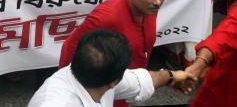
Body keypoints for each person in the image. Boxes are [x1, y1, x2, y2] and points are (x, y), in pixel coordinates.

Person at [29, 30, 191, 107]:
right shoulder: (54, 103)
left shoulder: (96, 74)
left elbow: (140, 80)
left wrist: (172, 76)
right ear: (114, 81)